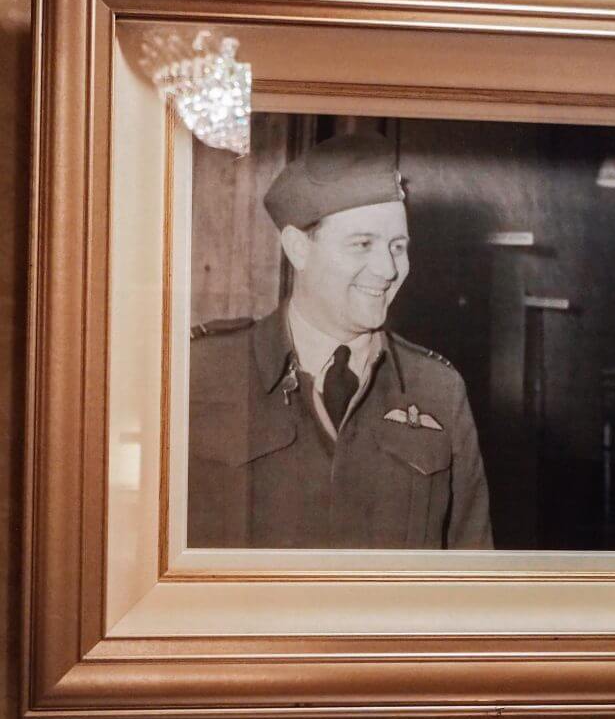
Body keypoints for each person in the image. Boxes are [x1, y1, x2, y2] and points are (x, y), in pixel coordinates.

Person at [187, 131, 493, 549]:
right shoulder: (201, 372)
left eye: (397, 246)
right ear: (298, 248)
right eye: (362, 244)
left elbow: (470, 565)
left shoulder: (438, 390)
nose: (388, 269)